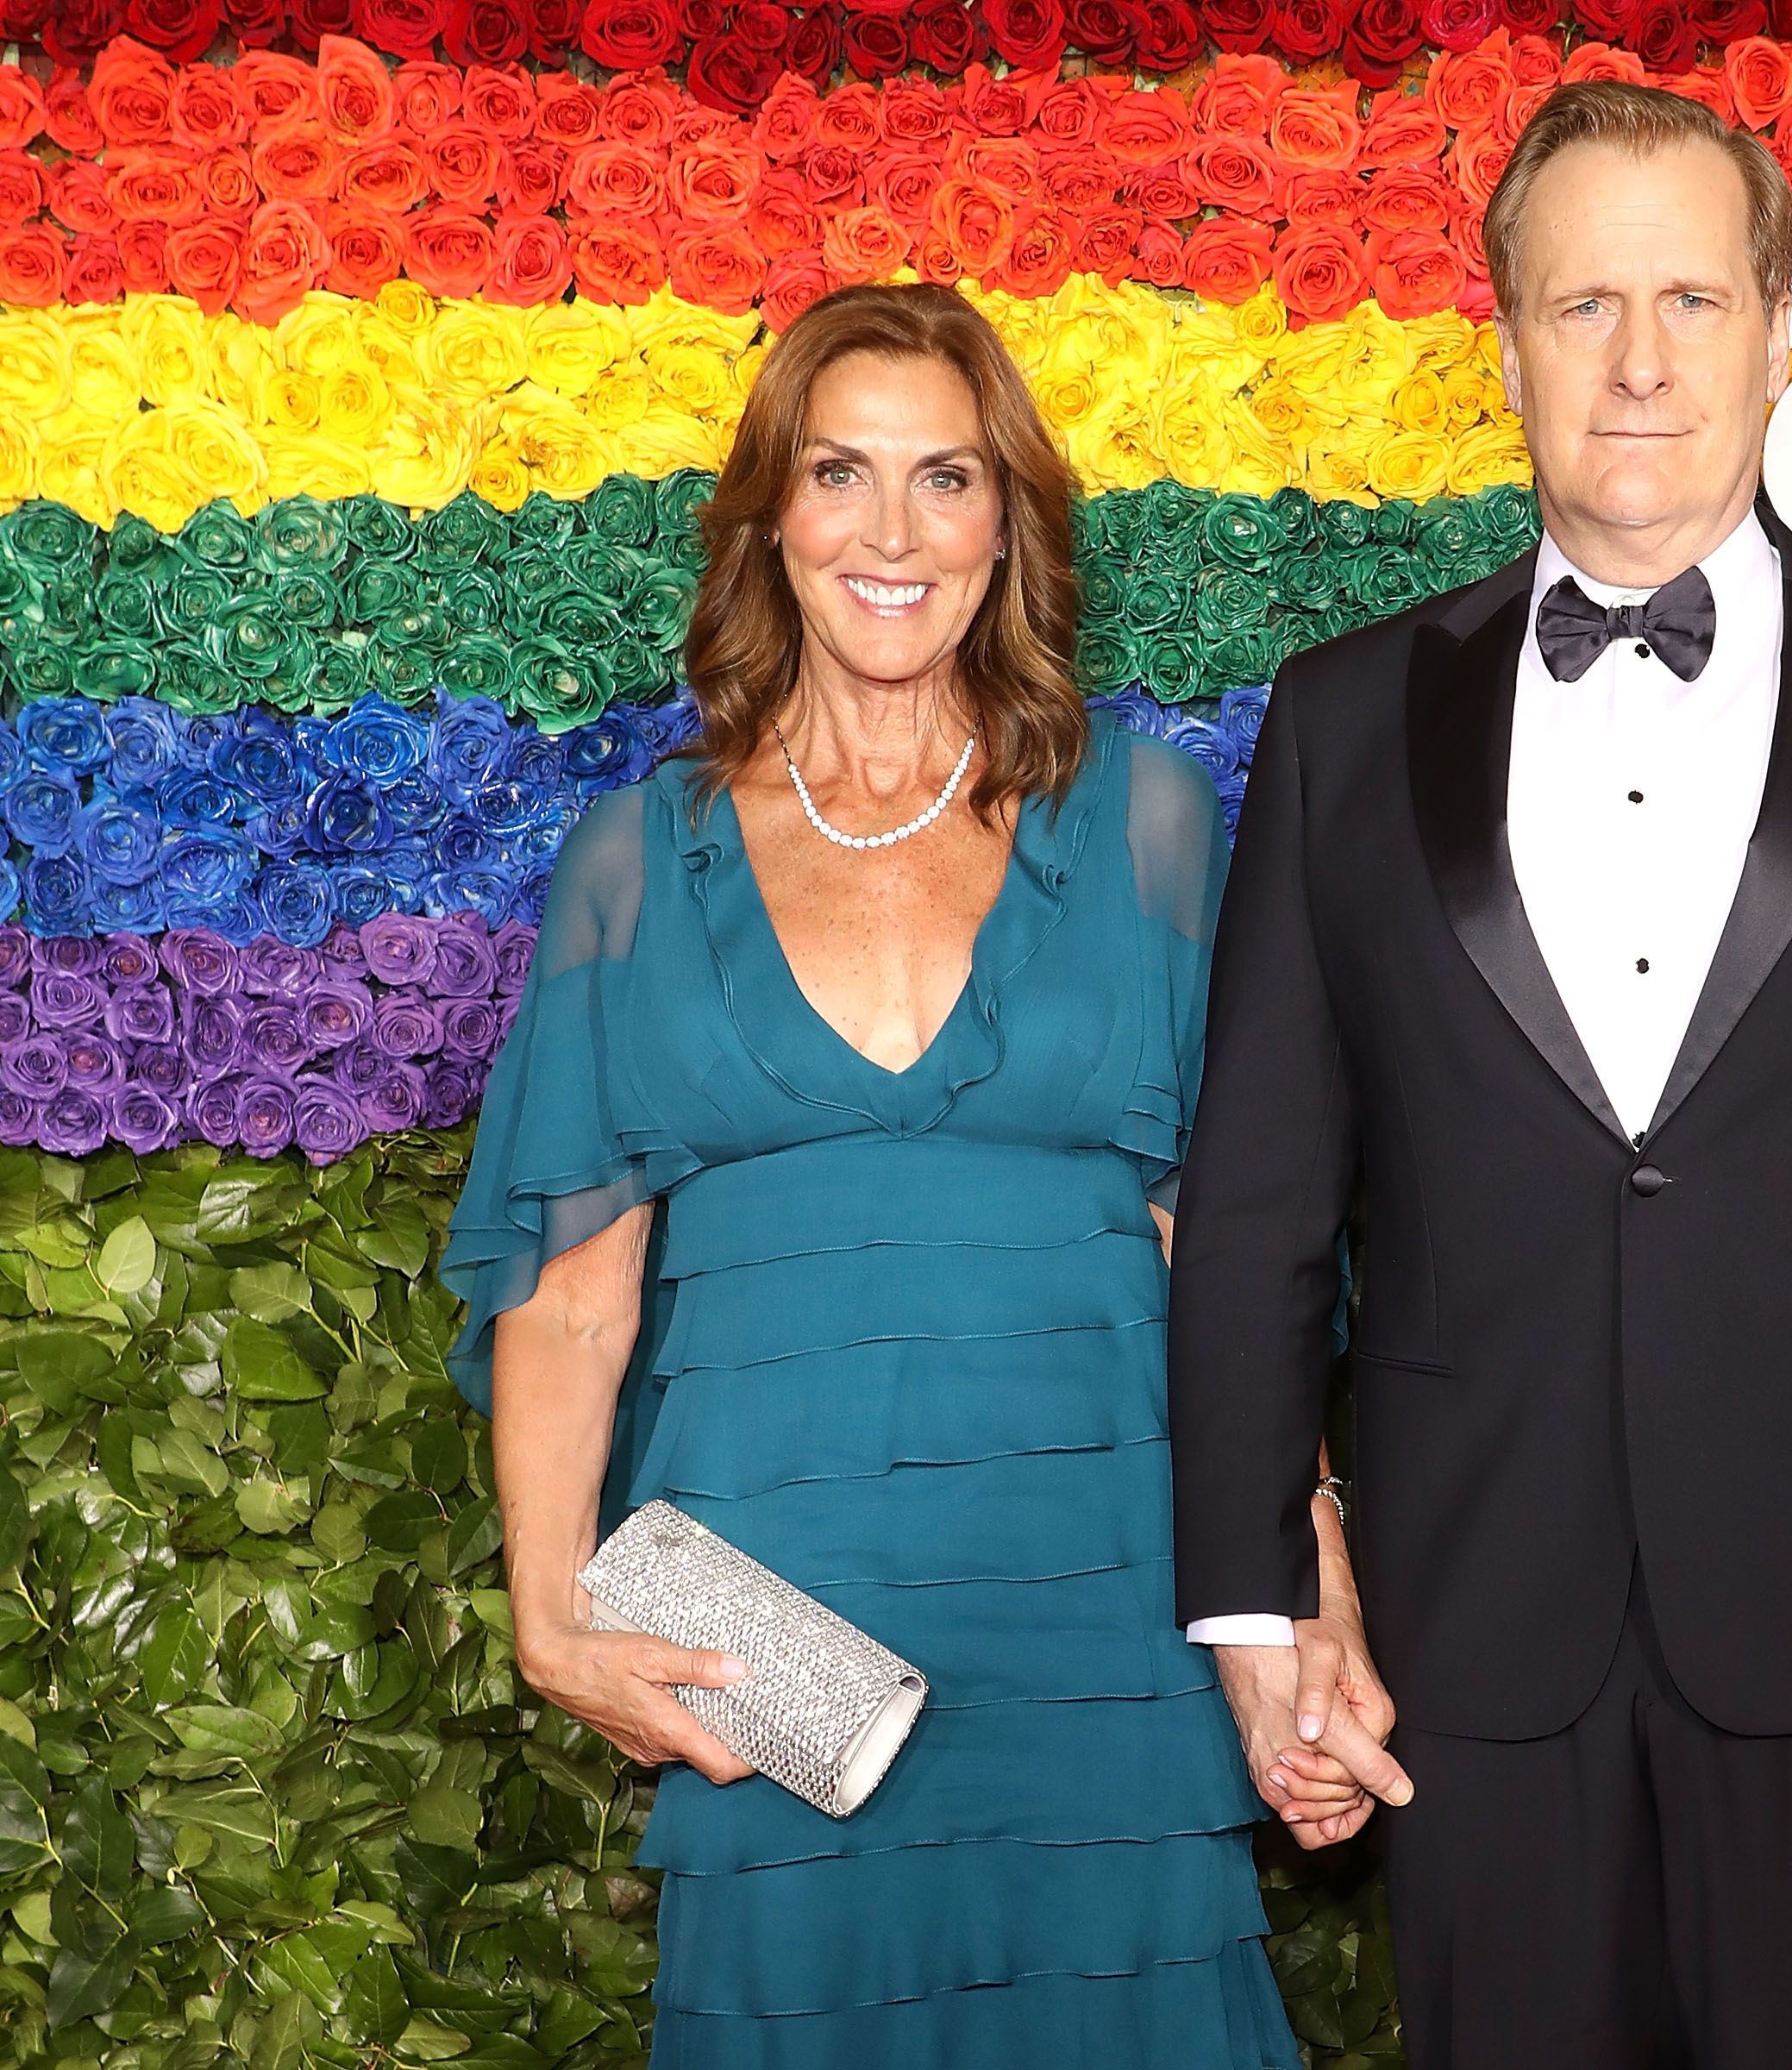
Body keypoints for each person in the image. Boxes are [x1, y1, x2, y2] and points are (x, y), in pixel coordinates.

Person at [1168, 83, 1792, 2070]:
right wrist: (1262, 1615)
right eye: (1582, 303)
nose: (1638, 362)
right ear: (1508, 338)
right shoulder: (1346, 719)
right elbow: (1262, 1202)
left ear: (1777, 327)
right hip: (1470, 1627)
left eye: (1692, 300)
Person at [439, 282, 1386, 2067]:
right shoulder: (644, 856)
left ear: (1003, 522)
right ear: (770, 520)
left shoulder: (1151, 823)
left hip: (1111, 1625)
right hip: (777, 1658)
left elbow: (1230, 1254)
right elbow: (571, 1300)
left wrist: (1311, 1573)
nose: (891, 532)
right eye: (840, 474)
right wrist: (550, 1609)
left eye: (944, 479)